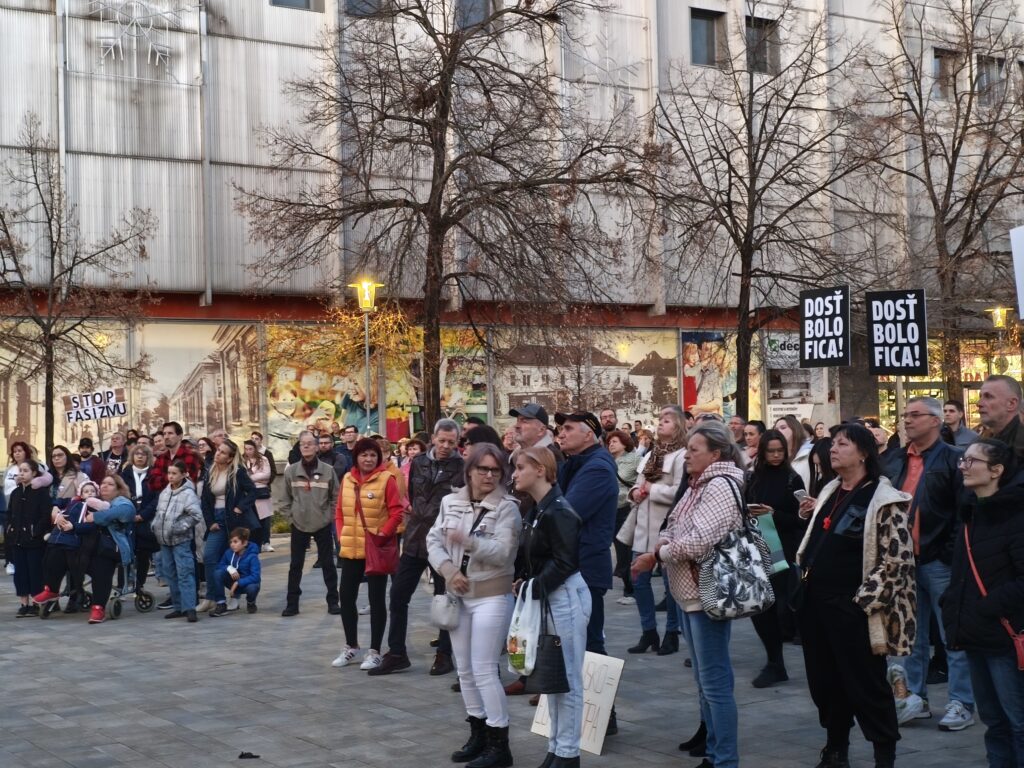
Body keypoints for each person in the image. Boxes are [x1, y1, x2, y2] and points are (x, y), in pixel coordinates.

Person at [794, 423, 915, 768]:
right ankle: (836, 749)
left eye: (842, 444)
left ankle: (883, 757)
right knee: (825, 684)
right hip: (816, 606)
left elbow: (897, 562)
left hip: (853, 611)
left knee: (867, 687)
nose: (833, 449)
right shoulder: (832, 489)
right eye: (832, 444)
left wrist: (861, 602)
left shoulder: (883, 499)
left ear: (863, 453)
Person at [633, 420, 746, 768]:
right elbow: (674, 525)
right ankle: (713, 752)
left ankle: (724, 759)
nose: (687, 457)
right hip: (689, 592)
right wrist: (664, 541)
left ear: (716, 454)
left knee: (714, 682)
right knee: (703, 680)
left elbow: (699, 540)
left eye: (694, 451)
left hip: (706, 592)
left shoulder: (720, 486)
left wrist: (659, 554)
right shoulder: (700, 483)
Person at [880, 396, 974, 730]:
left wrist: (949, 553)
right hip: (902, 562)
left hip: (939, 560)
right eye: (904, 415)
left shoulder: (954, 459)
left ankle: (961, 701)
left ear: (936, 421)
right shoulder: (893, 459)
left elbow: (964, 512)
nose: (907, 420)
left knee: (953, 634)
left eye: (915, 415)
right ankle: (914, 699)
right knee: (910, 634)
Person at [428, 444, 520, 768]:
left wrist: (467, 541)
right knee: (464, 670)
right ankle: (477, 732)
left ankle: (500, 744)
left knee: (483, 669)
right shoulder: (450, 501)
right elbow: (433, 541)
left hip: (492, 596)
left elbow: (503, 553)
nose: (489, 475)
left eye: (496, 470)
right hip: (458, 596)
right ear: (469, 470)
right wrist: (449, 571)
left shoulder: (508, 507)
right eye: (483, 469)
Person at [943, 438, 1024, 767]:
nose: (963, 466)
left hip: (1004, 636)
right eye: (963, 460)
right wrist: (955, 605)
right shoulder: (970, 512)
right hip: (975, 633)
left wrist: (987, 607)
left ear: (996, 471)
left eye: (971, 461)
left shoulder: (1015, 516)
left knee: (1018, 721)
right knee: (994, 722)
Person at [514, 446, 589, 768]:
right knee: (553, 677)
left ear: (540, 470)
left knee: (567, 677)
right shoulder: (538, 509)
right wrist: (525, 580)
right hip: (549, 596)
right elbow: (536, 557)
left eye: (519, 467)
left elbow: (565, 562)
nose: (514, 473)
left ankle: (568, 753)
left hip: (563, 597)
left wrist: (533, 586)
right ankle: (557, 748)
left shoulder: (558, 511)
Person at [370, 419, 464, 676]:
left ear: (457, 442)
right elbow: (411, 494)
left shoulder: (462, 468)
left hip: (443, 544)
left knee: (445, 599)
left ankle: (444, 653)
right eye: (441, 440)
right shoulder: (419, 462)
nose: (445, 446)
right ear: (433, 438)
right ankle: (397, 652)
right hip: (414, 540)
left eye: (451, 442)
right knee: (398, 595)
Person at [553, 411, 619, 729]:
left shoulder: (598, 468)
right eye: (559, 428)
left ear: (589, 435)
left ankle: (602, 717)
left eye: (568, 429)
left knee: (591, 641)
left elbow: (567, 513)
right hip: (573, 563)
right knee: (577, 640)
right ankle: (593, 716)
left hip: (586, 566)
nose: (560, 433)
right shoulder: (575, 464)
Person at [332, 437, 404, 671]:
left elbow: (397, 512)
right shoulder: (347, 479)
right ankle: (351, 645)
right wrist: (341, 534)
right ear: (357, 457)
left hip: (375, 549)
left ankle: (374, 651)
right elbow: (339, 511)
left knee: (376, 600)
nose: (368, 458)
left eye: (373, 455)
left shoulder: (387, 479)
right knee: (347, 598)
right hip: (351, 550)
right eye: (364, 454)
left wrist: (382, 535)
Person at [745, 429, 806, 686]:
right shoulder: (753, 477)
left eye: (780, 450)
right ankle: (774, 661)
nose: (777, 455)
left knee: (780, 605)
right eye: (771, 451)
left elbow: (801, 519)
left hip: (784, 548)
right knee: (760, 607)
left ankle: (776, 661)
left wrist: (774, 514)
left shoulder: (793, 479)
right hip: (756, 546)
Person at [622, 408, 686, 655]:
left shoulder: (682, 456)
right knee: (639, 581)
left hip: (666, 529)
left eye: (667, 421)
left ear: (678, 426)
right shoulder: (653, 453)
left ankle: (672, 632)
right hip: (642, 528)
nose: (661, 424)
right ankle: (648, 631)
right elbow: (639, 484)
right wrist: (635, 493)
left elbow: (680, 492)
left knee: (671, 586)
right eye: (659, 421)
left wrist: (651, 491)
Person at [280, 430, 340, 617]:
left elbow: (336, 498)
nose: (305, 446)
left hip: (322, 524)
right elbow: (284, 500)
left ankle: (333, 601)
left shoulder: (328, 471)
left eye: (309, 443)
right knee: (295, 565)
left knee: (329, 564)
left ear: (316, 447)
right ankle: (292, 604)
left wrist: (328, 518)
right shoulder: (291, 471)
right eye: (302, 443)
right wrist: (292, 518)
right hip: (298, 524)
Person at [197, 440, 259, 613]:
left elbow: (253, 491)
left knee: (235, 560)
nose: (218, 454)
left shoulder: (237, 472)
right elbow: (205, 501)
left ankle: (235, 595)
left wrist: (240, 507)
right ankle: (213, 598)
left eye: (223, 452)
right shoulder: (210, 471)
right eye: (218, 450)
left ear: (230, 457)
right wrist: (210, 523)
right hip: (216, 520)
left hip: (232, 520)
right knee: (209, 557)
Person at [32, 480, 100, 614]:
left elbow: (93, 526)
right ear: (80, 493)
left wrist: (74, 527)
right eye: (86, 491)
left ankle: (75, 593)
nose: (90, 493)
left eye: (92, 491)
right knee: (48, 561)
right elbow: (58, 501)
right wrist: (56, 509)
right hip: (58, 537)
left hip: (75, 541)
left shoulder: (95, 508)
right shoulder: (73, 501)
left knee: (69, 561)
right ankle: (50, 590)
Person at [151, 460, 203, 622]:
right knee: (170, 573)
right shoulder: (165, 493)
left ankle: (190, 607)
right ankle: (178, 606)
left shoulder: (188, 494)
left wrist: (178, 527)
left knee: (185, 572)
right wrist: (155, 525)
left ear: (183, 474)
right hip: (164, 540)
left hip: (180, 540)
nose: (171, 476)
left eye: (174, 473)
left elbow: (195, 515)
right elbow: (160, 512)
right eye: (169, 473)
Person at [84, 474, 138, 624]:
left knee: (101, 564)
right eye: (103, 483)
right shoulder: (95, 502)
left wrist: (96, 517)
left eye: (110, 484)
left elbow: (125, 513)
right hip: (91, 545)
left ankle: (98, 607)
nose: (105, 486)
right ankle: (52, 590)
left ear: (119, 489)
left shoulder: (122, 502)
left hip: (113, 548)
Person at [8, 460, 53, 616]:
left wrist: (36, 532)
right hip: (17, 539)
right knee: (20, 572)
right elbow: (10, 515)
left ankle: (36, 601)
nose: (22, 473)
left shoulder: (41, 492)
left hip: (34, 540)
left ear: (34, 473)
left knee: (35, 571)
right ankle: (24, 603)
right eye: (20, 470)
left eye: (25, 470)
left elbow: (45, 515)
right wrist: (11, 530)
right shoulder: (16, 492)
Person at [121, 443, 160, 597]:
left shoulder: (154, 473)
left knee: (143, 553)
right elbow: (121, 493)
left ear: (148, 457)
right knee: (125, 551)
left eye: (143, 454)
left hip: (145, 518)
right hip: (128, 516)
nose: (139, 457)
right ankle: (124, 583)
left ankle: (140, 585)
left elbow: (157, 497)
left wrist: (143, 515)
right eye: (136, 454)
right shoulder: (126, 473)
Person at [606, 429, 639, 605]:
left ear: (625, 443)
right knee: (620, 550)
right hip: (611, 509)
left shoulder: (634, 459)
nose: (611, 444)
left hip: (628, 508)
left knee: (626, 549)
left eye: (615, 441)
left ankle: (631, 589)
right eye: (610, 442)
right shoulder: (606, 460)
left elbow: (641, 480)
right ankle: (629, 584)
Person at [211, 527, 262, 616]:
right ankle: (221, 604)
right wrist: (229, 568)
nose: (232, 545)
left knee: (253, 588)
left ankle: (251, 602)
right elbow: (220, 566)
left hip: (246, 584)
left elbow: (256, 576)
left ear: (245, 543)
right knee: (217, 573)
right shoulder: (228, 553)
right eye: (231, 542)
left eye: (235, 542)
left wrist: (238, 582)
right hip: (232, 581)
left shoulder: (252, 556)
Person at [977, 375, 1024, 464]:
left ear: (1011, 403)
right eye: (980, 396)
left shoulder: (1020, 446)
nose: (979, 403)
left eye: (988, 396)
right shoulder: (985, 439)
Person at [150, 422, 203, 493]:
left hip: (185, 501)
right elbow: (152, 484)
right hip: (164, 500)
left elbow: (187, 483)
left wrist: (163, 478)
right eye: (164, 434)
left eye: (170, 433)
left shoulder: (190, 455)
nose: (166, 437)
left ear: (180, 436)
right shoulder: (161, 458)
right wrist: (175, 476)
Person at [243, 440, 275, 553]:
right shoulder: (243, 460)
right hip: (249, 492)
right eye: (246, 449)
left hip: (261, 491)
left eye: (250, 449)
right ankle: (255, 544)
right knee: (253, 519)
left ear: (255, 449)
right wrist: (256, 477)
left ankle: (266, 541)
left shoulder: (263, 459)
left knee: (264, 519)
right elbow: (243, 476)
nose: (248, 451)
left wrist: (251, 478)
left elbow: (266, 474)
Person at [776, 415, 813, 489]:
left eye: (783, 428)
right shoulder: (776, 458)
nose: (778, 431)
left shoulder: (810, 454)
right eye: (776, 429)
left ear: (795, 430)